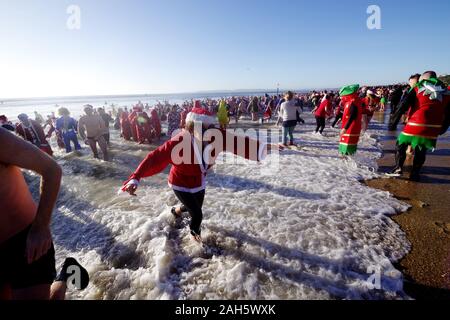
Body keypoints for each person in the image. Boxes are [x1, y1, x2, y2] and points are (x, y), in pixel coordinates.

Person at [121, 101, 280, 243]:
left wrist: (267, 147)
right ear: (192, 127)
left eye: (209, 128)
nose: (208, 132)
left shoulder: (216, 137)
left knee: (192, 208)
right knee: (197, 215)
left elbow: (239, 142)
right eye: (203, 129)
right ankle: (195, 242)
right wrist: (135, 178)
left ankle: (175, 212)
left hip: (198, 181)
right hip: (180, 182)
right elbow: (154, 157)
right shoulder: (179, 141)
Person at [388, 71, 450, 181]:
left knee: (401, 143)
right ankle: (415, 173)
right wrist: (442, 129)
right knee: (422, 149)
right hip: (433, 126)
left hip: (416, 122)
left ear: (423, 78)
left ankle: (398, 168)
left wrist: (393, 122)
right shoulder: (446, 91)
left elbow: (403, 105)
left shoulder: (418, 87)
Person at [338, 85, 364, 156]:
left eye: (342, 96)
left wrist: (345, 128)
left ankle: (348, 164)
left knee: (347, 146)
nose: (341, 98)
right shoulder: (354, 100)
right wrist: (341, 120)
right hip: (350, 126)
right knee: (346, 145)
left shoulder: (353, 102)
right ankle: (347, 163)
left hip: (351, 127)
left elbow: (352, 116)